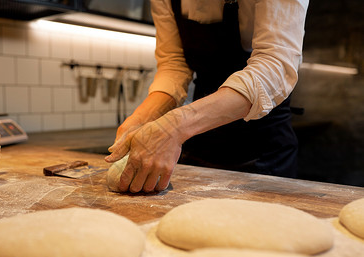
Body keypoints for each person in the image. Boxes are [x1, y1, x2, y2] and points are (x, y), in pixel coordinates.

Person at [105, 0, 309, 193]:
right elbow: (174, 64)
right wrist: (143, 117)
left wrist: (175, 126)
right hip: (198, 140)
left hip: (263, 148)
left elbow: (275, 65)